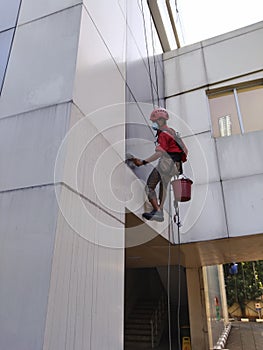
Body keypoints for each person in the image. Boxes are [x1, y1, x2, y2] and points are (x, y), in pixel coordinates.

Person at [133, 107, 188, 222]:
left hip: (167, 163)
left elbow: (159, 153)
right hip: (176, 166)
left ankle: (158, 210)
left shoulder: (163, 134)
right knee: (164, 185)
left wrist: (142, 162)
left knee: (150, 186)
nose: (154, 124)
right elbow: (185, 151)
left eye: (154, 122)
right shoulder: (172, 132)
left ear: (160, 121)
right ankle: (160, 210)